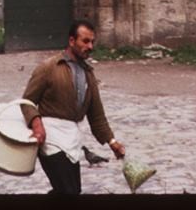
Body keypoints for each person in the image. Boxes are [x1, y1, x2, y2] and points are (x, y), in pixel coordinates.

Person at [21, 18, 125, 194]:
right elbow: (27, 102)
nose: (90, 46)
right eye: (85, 41)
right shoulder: (49, 68)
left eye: (92, 41)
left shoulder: (89, 75)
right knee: (69, 191)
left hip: (72, 141)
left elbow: (97, 115)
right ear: (71, 41)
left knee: (70, 191)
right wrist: (37, 125)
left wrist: (112, 142)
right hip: (51, 140)